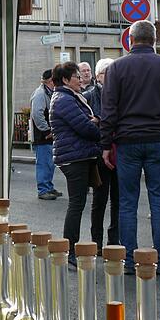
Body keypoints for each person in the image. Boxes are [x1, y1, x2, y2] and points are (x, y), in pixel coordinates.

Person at [100, 20, 160, 274]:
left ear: (131, 40)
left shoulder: (117, 68)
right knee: (158, 199)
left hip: (127, 142)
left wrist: (106, 143)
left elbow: (109, 110)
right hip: (158, 140)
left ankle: (129, 259)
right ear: (154, 40)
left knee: (127, 202)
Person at [50, 61, 101, 266]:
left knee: (78, 203)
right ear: (65, 79)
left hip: (77, 155)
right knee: (77, 203)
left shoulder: (67, 97)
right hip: (74, 158)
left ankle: (70, 248)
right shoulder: (64, 99)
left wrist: (93, 121)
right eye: (77, 77)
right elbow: (85, 127)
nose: (81, 80)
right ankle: (69, 249)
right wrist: (96, 126)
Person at [83, 58, 119, 247]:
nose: (110, 76)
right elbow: (84, 124)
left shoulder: (122, 95)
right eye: (106, 72)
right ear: (98, 76)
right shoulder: (89, 96)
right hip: (98, 154)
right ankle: (96, 241)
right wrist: (96, 122)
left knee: (118, 200)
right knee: (99, 200)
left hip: (120, 153)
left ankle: (114, 240)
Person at [31, 70, 60, 200]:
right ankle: (43, 189)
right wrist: (47, 131)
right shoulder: (41, 94)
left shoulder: (45, 93)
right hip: (43, 137)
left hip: (45, 135)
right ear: (51, 81)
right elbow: (37, 114)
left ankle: (48, 187)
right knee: (44, 163)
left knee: (48, 163)